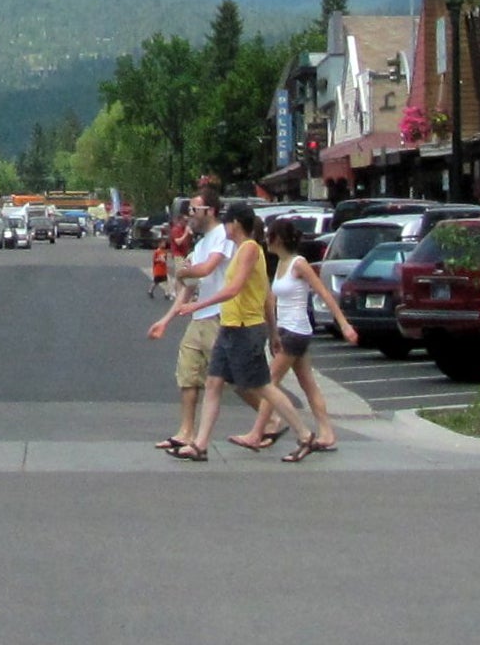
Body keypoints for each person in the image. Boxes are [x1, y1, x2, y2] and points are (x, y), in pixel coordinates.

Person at [163, 202, 318, 463]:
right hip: (230, 326)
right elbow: (266, 295)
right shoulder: (238, 250)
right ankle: (200, 445)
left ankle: (304, 435)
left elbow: (234, 289)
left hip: (245, 328)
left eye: (227, 222)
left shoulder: (248, 249)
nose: (224, 227)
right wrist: (273, 332)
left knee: (262, 386)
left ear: (235, 224)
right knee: (213, 383)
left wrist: (198, 304)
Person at [231, 218, 356, 453]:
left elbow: (324, 293)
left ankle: (258, 433)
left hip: (296, 331)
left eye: (269, 236)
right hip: (286, 330)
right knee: (307, 384)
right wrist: (272, 330)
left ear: (277, 238)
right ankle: (327, 432)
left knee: (268, 382)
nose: (266, 240)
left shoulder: (299, 263)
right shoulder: (280, 264)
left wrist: (344, 324)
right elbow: (273, 300)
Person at [146, 191, 235, 454]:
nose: (189, 216)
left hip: (220, 315)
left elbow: (206, 269)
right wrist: (165, 320)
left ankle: (272, 419)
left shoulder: (223, 237)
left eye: (195, 210)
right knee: (188, 373)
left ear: (210, 210)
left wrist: (184, 270)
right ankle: (186, 432)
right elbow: (187, 286)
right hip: (199, 317)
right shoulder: (202, 243)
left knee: (237, 378)